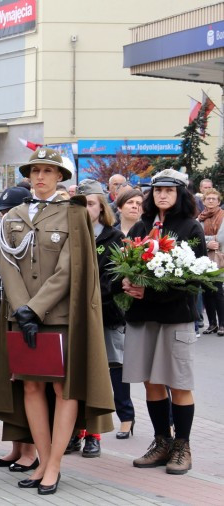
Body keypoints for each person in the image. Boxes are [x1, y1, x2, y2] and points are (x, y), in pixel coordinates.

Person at [0, 148, 114, 495]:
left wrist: (35, 308)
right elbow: (7, 264)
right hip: (21, 316)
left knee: (62, 388)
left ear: (60, 177)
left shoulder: (74, 215)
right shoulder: (11, 215)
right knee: (30, 386)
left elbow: (70, 269)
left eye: (48, 171)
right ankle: (42, 459)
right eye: (35, 171)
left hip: (59, 317)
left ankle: (54, 464)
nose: (40, 177)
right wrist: (22, 308)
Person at [123, 169, 204, 475]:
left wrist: (151, 292)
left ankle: (183, 446)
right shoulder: (142, 226)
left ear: (181, 194)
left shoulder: (191, 228)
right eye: (158, 190)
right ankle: (162, 442)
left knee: (179, 383)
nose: (163, 195)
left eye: (170, 190)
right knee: (151, 382)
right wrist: (126, 282)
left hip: (175, 318)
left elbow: (194, 280)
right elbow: (122, 264)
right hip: (143, 317)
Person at [76, 179, 134, 453]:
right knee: (75, 377)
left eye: (90, 204)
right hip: (75, 317)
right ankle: (77, 431)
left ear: (101, 207)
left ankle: (94, 436)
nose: (86, 209)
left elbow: (112, 279)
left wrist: (90, 303)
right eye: (81, 204)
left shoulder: (113, 238)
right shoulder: (70, 235)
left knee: (101, 378)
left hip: (105, 316)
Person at [0, 186, 39, 473]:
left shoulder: (32, 239)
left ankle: (30, 451)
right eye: (1, 213)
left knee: (26, 383)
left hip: (26, 315)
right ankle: (16, 446)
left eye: (9, 212)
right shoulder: (0, 239)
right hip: (4, 314)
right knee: (7, 384)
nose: (4, 217)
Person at [199, 189, 224, 336]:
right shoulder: (200, 218)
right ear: (203, 201)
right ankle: (212, 324)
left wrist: (206, 240)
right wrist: (208, 243)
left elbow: (221, 239)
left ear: (219, 202)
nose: (211, 201)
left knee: (218, 290)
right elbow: (197, 236)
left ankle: (222, 324)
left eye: (214, 199)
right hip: (204, 258)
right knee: (206, 291)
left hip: (219, 257)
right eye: (208, 199)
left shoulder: (222, 216)